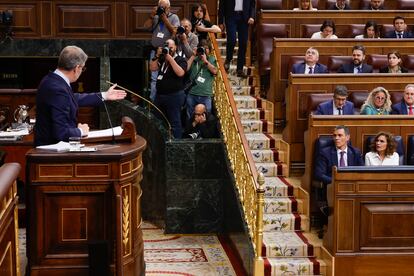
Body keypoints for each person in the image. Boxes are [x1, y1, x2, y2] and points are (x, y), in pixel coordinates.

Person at [34, 46, 127, 146]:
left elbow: (72, 98)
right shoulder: (57, 88)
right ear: (77, 68)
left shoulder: (51, 79)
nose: (81, 71)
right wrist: (80, 131)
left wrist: (104, 95)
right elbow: (60, 133)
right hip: (51, 152)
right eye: (83, 68)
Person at [314, 125, 363, 215]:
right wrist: (336, 181)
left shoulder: (356, 152)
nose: (336, 138)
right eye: (334, 135)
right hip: (333, 186)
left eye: (340, 135)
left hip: (352, 187)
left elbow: (361, 171)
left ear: (347, 137)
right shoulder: (325, 152)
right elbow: (319, 174)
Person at [150, 39, 187, 138]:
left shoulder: (180, 59)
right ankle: (161, 139)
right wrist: (157, 56)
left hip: (174, 96)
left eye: (171, 47)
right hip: (160, 95)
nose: (169, 50)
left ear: (175, 47)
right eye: (167, 47)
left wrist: (170, 58)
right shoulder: (162, 59)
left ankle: (176, 144)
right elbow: (152, 68)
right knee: (157, 118)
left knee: (175, 121)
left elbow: (180, 73)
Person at [144, 0, 180, 101]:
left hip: (167, 52)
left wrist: (164, 19)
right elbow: (146, 27)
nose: (161, 9)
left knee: (165, 76)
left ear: (168, 7)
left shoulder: (174, 17)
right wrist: (151, 16)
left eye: (163, 7)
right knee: (154, 77)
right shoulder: (155, 17)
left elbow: (174, 31)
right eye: (160, 6)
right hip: (155, 51)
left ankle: (163, 99)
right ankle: (153, 101)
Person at [218, 0, 255, 78]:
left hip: (244, 18)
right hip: (231, 16)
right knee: (232, 39)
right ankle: (228, 59)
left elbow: (252, 5)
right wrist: (221, 21)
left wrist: (252, 16)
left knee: (243, 43)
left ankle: (240, 69)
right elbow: (222, 5)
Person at [186, 39, 217, 119]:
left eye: (206, 48)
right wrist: (193, 55)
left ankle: (205, 131)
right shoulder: (195, 59)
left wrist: (205, 61)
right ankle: (191, 130)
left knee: (207, 117)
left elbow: (215, 71)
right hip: (192, 93)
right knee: (190, 116)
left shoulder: (212, 59)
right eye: (202, 48)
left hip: (205, 94)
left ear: (209, 50)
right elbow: (185, 69)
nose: (204, 50)